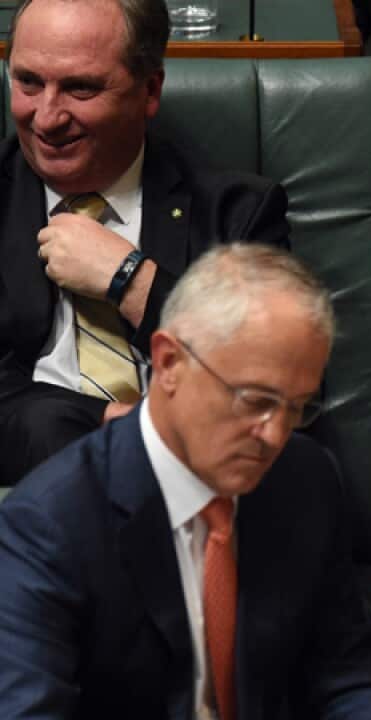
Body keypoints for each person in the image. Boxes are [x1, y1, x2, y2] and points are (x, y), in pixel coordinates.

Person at [0, 244, 371, 719]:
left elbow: (349, 677)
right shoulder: (48, 526)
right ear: (170, 363)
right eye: (255, 400)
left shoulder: (306, 479)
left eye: (296, 407)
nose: (274, 435)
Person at [0, 0, 289, 486]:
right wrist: (106, 423)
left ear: (149, 90)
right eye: (28, 82)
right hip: (39, 495)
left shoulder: (237, 212)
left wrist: (133, 281)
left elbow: (277, 382)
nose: (47, 118)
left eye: (81, 87)